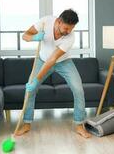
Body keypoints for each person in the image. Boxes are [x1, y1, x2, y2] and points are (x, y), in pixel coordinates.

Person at [15, 9, 92, 138]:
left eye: (71, 28)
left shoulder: (70, 37)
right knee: (30, 91)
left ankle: (79, 125)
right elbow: (25, 35)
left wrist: (36, 80)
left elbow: (52, 60)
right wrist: (34, 37)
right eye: (67, 28)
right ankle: (27, 124)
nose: (69, 31)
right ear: (59, 21)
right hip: (42, 60)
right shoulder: (46, 22)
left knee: (78, 89)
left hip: (63, 62)